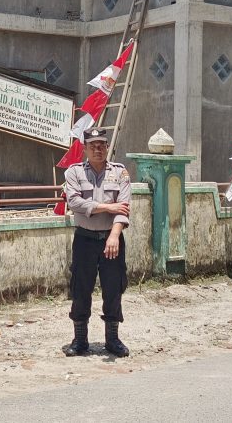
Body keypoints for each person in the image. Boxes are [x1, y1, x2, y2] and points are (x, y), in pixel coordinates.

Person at [62, 127, 131, 358]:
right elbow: (74, 203)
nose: (98, 149)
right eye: (93, 145)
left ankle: (112, 339)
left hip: (112, 239)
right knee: (81, 288)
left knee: (113, 288)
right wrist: (106, 207)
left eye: (101, 144)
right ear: (85, 148)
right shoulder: (74, 172)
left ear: (107, 146)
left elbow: (124, 209)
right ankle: (80, 339)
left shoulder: (120, 173)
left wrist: (114, 235)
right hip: (85, 239)